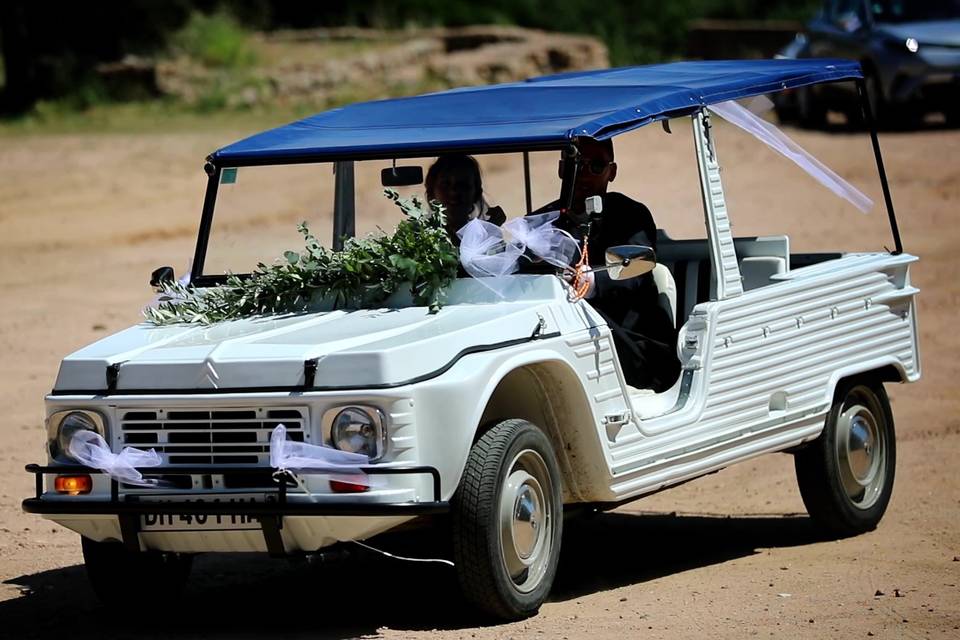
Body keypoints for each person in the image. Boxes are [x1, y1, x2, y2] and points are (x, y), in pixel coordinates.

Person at [533, 138, 680, 392]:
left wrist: (592, 282)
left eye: (596, 166)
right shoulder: (540, 222)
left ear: (611, 172)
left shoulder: (631, 215)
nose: (584, 173)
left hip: (631, 343)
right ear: (561, 169)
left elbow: (638, 265)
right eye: (576, 164)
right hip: (560, 340)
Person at [425, 155, 506, 244]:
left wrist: (490, 231)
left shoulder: (485, 237)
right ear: (431, 192)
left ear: (476, 194)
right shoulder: (419, 240)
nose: (454, 192)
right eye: (445, 184)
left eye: (462, 185)